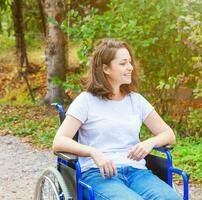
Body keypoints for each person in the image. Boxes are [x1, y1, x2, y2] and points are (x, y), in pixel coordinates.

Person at [52, 38, 182, 200]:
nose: (130, 68)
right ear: (106, 68)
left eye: (130, 62)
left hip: (137, 173)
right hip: (99, 174)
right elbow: (59, 142)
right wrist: (94, 152)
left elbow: (168, 134)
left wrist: (150, 142)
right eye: (123, 63)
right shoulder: (86, 101)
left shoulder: (136, 100)